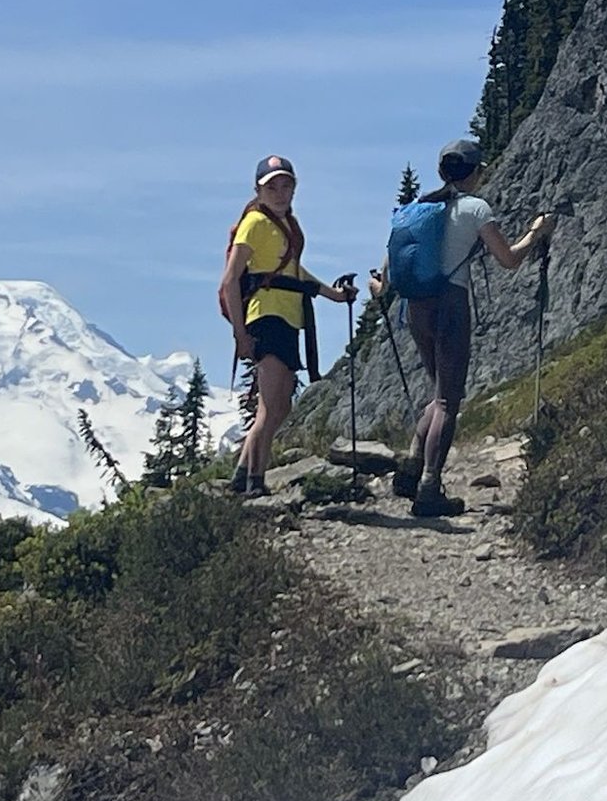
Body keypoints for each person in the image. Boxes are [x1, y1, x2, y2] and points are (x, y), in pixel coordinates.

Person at [372, 138, 554, 518]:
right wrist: (536, 233)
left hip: (416, 308)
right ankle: (429, 487)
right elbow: (508, 259)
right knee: (447, 401)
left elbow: (386, 274)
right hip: (451, 304)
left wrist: (377, 287)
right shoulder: (475, 209)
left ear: (442, 172)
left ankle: (412, 465)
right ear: (475, 172)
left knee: (438, 391)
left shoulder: (417, 209)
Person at [218, 155, 356, 496]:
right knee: (271, 405)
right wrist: (240, 334)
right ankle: (255, 481)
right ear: (258, 191)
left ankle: (242, 474)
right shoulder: (254, 223)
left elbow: (294, 272)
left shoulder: (287, 226)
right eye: (272, 187)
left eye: (286, 186)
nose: (280, 193)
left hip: (287, 316)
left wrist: (335, 295)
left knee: (281, 405)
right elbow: (230, 280)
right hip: (267, 316)